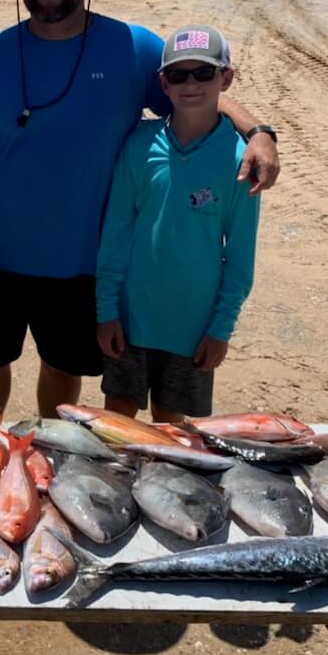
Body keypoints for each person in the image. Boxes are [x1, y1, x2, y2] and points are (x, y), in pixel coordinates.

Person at [0, 0, 280, 419]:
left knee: (62, 369)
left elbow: (194, 94)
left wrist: (257, 132)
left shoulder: (131, 48)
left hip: (84, 265)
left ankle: (52, 452)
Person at [96, 25, 260, 422]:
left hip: (194, 328)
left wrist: (221, 329)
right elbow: (115, 236)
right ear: (163, 83)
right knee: (117, 421)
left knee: (172, 430)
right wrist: (106, 311)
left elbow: (240, 258)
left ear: (226, 78)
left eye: (203, 73)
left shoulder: (241, 162)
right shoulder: (139, 144)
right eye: (178, 74)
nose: (191, 85)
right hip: (131, 320)